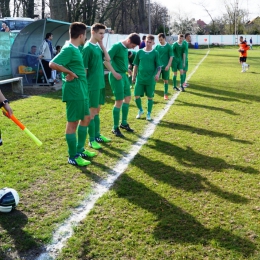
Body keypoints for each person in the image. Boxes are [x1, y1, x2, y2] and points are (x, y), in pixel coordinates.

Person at [49, 22, 96, 167]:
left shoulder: (76, 47)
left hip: (82, 89)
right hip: (74, 91)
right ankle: (72, 156)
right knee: (73, 123)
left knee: (86, 118)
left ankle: (80, 149)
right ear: (81, 35)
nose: (86, 38)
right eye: (85, 35)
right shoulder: (69, 49)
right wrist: (68, 73)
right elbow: (52, 63)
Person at [81, 23, 111, 150]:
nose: (103, 36)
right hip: (92, 85)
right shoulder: (87, 48)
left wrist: (102, 45)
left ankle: (97, 135)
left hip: (100, 84)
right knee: (91, 113)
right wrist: (85, 87)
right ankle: (91, 140)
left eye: (104, 33)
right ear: (93, 32)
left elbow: (108, 59)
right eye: (100, 33)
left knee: (97, 111)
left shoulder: (97, 47)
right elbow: (84, 70)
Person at [105, 33, 140, 137]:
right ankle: (115, 127)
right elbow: (106, 61)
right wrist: (114, 72)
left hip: (123, 76)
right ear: (129, 41)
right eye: (133, 46)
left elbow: (120, 61)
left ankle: (123, 123)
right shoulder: (116, 46)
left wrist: (127, 69)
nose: (133, 48)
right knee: (119, 100)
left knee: (128, 98)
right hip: (116, 77)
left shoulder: (125, 48)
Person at [132, 34, 162, 121]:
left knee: (150, 97)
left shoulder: (155, 53)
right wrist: (133, 76)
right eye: (146, 41)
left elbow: (159, 66)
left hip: (150, 79)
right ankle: (140, 110)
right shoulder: (139, 52)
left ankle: (148, 114)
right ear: (144, 41)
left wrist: (157, 74)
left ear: (153, 43)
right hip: (140, 78)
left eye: (150, 42)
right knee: (136, 95)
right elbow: (136, 65)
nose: (148, 43)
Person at [155, 33, 173, 100]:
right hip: (158, 67)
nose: (160, 41)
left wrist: (168, 65)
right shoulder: (157, 47)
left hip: (166, 67)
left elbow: (171, 57)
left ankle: (165, 94)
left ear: (164, 38)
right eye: (159, 40)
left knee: (165, 80)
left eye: (161, 39)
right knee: (155, 79)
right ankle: (151, 93)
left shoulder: (168, 46)